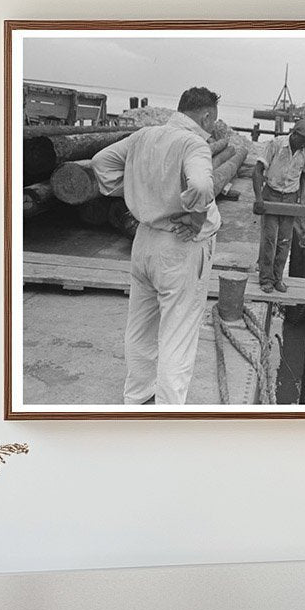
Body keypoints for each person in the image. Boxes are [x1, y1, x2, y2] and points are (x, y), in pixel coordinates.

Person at [91, 86, 220, 405]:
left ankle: (136, 399)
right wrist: (196, 216)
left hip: (144, 239)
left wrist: (136, 193)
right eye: (214, 120)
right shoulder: (194, 144)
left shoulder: (144, 136)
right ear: (205, 115)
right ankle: (167, 414)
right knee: (178, 334)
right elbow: (202, 184)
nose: (214, 126)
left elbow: (100, 161)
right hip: (179, 246)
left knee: (140, 328)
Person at [253, 119, 305, 293]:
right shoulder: (276, 144)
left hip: (290, 197)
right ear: (293, 134)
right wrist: (259, 198)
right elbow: (257, 171)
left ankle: (278, 278)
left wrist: (303, 198)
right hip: (271, 194)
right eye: (303, 140)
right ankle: (265, 278)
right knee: (269, 239)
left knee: (285, 240)